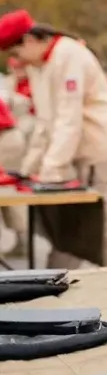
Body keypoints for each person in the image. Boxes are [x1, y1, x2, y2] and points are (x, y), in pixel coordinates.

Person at [0, 9, 107, 268]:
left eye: (16, 53)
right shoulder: (39, 66)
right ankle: (57, 287)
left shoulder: (69, 55)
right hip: (80, 155)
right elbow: (45, 123)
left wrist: (51, 170)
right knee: (69, 235)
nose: (18, 61)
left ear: (30, 40)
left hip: (105, 151)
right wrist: (29, 170)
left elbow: (69, 119)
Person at [0, 92, 28, 256]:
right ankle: (21, 241)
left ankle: (22, 240)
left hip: (6, 138)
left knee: (8, 191)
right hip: (7, 136)